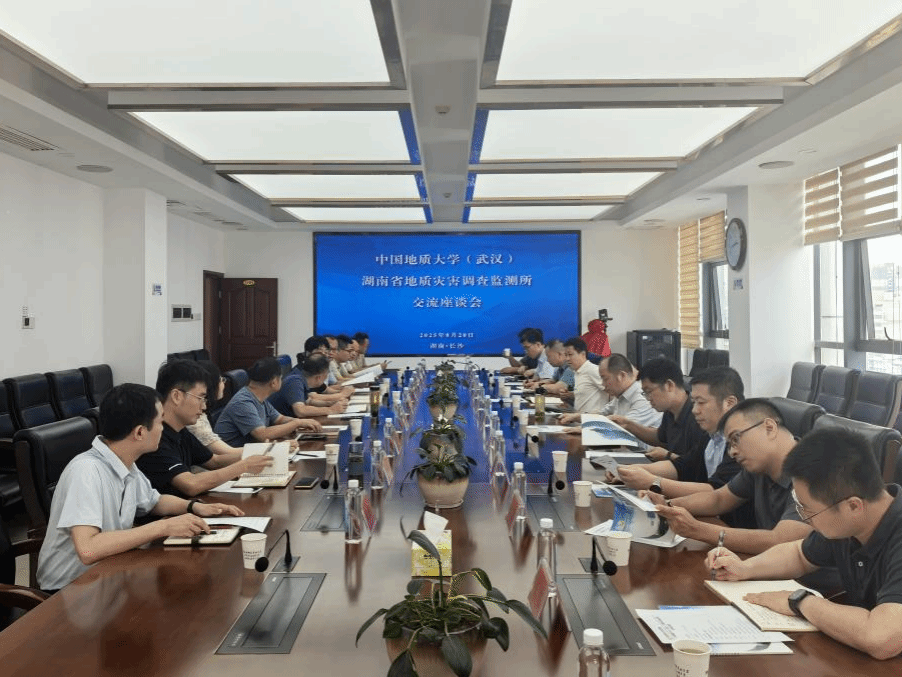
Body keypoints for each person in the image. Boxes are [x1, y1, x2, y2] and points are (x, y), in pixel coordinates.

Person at [708, 428, 902, 660]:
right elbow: (799, 555)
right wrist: (745, 568)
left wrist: (800, 601)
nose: (805, 518)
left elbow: (880, 638)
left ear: (853, 506)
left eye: (807, 510)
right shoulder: (849, 523)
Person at [36, 383, 243, 591]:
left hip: (110, 573)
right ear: (140, 432)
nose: (163, 428)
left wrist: (195, 507)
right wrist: (163, 527)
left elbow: (154, 501)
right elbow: (88, 550)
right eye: (160, 421)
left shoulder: (125, 461)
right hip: (69, 589)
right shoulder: (86, 471)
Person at [656, 398, 813, 554]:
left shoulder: (814, 472)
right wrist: (665, 505)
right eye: (729, 444)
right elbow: (719, 499)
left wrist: (696, 529)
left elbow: (779, 541)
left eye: (736, 439)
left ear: (769, 428)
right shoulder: (760, 467)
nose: (732, 452)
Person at [138, 360, 276, 496]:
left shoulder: (181, 430)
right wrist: (244, 466)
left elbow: (214, 461)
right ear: (176, 396)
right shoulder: (155, 437)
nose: (204, 406)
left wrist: (260, 453)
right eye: (200, 398)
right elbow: (191, 484)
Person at [619, 366, 743, 496]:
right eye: (694, 402)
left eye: (701, 402)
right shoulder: (713, 436)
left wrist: (653, 482)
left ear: (729, 403)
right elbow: (684, 466)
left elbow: (718, 492)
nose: (695, 410)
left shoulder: (741, 442)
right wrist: (631, 471)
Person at [609, 357, 707, 462]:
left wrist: (668, 456)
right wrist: (628, 424)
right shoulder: (670, 411)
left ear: (669, 385)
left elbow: (698, 466)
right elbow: (660, 438)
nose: (648, 398)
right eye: (645, 393)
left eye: (649, 391)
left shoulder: (698, 416)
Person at [214, 356, 322, 447]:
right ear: (274, 382)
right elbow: (262, 434)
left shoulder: (259, 397)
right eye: (280, 378)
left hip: (252, 452)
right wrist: (296, 423)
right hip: (234, 458)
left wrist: (303, 423)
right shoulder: (243, 402)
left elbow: (279, 419)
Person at [559, 353, 661, 431]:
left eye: (605, 378)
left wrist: (585, 429)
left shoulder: (642, 398)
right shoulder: (621, 395)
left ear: (621, 376)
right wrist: (577, 417)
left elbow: (623, 427)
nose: (603, 384)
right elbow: (602, 414)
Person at [185, 360, 241, 456]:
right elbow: (226, 453)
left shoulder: (203, 412)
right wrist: (262, 449)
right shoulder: (195, 421)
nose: (223, 383)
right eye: (221, 379)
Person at [268, 354, 347, 417]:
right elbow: (300, 411)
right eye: (326, 374)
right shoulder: (295, 381)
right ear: (319, 377)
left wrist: (330, 403)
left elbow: (308, 401)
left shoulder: (300, 377)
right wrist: (331, 410)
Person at [562, 337, 606, 414]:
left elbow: (611, 393)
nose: (567, 359)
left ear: (583, 354)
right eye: (565, 355)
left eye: (570, 355)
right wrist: (570, 395)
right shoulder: (577, 371)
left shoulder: (593, 370)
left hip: (593, 418)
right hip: (579, 417)